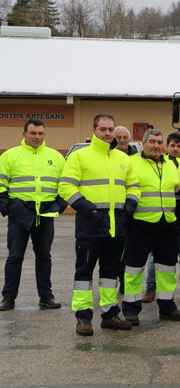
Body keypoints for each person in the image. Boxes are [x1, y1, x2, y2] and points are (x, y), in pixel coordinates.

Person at [58, 113, 140, 335]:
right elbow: (66, 187)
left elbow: (134, 186)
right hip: (90, 225)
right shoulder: (79, 157)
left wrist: (129, 207)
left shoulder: (124, 159)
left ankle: (110, 314)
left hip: (117, 225)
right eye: (103, 129)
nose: (107, 133)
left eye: (110, 129)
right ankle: (83, 317)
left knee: (110, 273)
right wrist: (88, 209)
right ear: (94, 130)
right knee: (84, 273)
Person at [119, 129, 180, 325]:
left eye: (159, 142)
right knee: (134, 269)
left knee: (167, 269)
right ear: (143, 143)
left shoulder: (170, 165)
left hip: (167, 226)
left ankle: (167, 307)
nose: (156, 145)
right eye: (152, 141)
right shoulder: (131, 164)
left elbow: (178, 193)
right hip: (139, 225)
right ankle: (131, 310)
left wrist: (179, 221)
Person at [0, 119, 66, 311]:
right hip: (19, 214)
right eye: (33, 133)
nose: (37, 137)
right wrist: (8, 208)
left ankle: (46, 296)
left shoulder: (56, 157)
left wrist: (59, 206)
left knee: (44, 257)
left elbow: (64, 184)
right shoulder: (10, 156)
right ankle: (8, 297)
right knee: (14, 257)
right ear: (24, 134)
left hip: (45, 214)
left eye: (40, 133)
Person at [142, 132, 180, 304]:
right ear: (167, 146)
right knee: (155, 256)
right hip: (163, 216)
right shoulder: (160, 164)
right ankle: (151, 287)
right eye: (172, 145)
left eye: (178, 146)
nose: (175, 149)